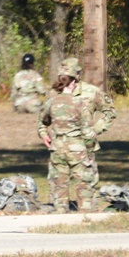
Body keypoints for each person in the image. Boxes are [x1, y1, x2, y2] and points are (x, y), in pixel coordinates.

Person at [38, 65, 97, 212]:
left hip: (57, 147)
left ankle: (60, 213)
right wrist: (89, 151)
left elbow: (43, 121)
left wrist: (44, 134)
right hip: (77, 147)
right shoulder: (79, 103)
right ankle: (85, 213)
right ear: (72, 83)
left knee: (60, 184)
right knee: (83, 183)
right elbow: (88, 132)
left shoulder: (51, 102)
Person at [60, 57, 117, 190]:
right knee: (59, 184)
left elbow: (110, 111)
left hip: (84, 143)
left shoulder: (91, 92)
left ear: (78, 75)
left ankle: (88, 207)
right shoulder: (56, 92)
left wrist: (95, 129)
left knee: (88, 183)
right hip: (62, 144)